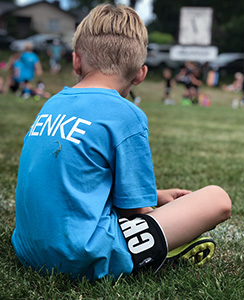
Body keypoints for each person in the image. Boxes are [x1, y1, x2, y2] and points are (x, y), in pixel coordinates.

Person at [12, 4, 231, 282]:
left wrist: (158, 194)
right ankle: (162, 254)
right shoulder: (127, 115)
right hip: (80, 257)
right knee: (217, 199)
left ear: (76, 61)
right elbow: (133, 213)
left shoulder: (51, 104)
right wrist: (170, 217)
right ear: (140, 74)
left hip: (28, 251)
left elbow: (79, 181)